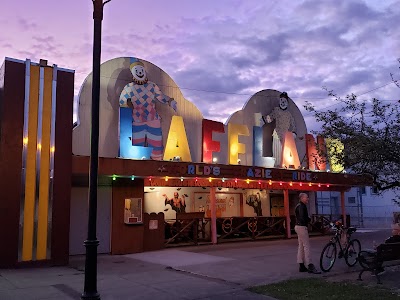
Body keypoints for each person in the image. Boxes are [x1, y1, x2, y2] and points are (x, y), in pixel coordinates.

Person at [119, 57, 177, 160]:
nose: (140, 72)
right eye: (137, 71)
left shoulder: (152, 86)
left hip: (153, 119)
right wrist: (127, 103)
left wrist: (170, 101)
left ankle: (158, 165)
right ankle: (137, 162)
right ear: (133, 73)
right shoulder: (129, 87)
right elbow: (121, 101)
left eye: (141, 70)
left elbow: (161, 97)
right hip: (137, 120)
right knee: (137, 145)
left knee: (156, 146)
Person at [294, 193, 321, 274]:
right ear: (301, 198)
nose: (308, 199)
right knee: (306, 246)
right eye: (306, 197)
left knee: (301, 246)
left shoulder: (298, 206)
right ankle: (309, 265)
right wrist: (308, 220)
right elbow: (303, 218)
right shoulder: (302, 206)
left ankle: (301, 265)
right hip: (302, 227)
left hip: (297, 226)